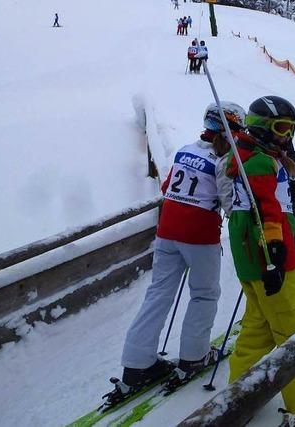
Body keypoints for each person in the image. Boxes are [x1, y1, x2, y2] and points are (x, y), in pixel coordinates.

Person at [110, 102, 245, 402]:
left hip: (167, 230)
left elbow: (168, 186)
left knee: (158, 293)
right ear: (231, 130)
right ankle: (194, 356)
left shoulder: (185, 149)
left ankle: (136, 364)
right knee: (204, 293)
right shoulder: (224, 160)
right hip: (199, 233)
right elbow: (229, 204)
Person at [227, 96, 295, 415]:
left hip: (253, 256)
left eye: (291, 129)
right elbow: (266, 212)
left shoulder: (257, 155)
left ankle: (239, 393)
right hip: (268, 256)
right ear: (260, 126)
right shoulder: (256, 161)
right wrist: (275, 251)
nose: (287, 135)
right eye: (282, 127)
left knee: (259, 327)